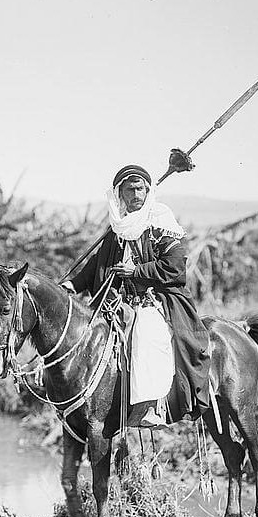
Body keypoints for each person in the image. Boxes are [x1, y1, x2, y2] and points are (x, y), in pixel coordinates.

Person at [63, 162, 211, 427]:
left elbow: (175, 268)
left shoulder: (161, 222)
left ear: (148, 190)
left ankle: (153, 406)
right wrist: (73, 285)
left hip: (156, 301)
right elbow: (97, 265)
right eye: (129, 191)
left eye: (140, 189)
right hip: (119, 303)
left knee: (147, 333)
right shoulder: (119, 228)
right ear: (119, 195)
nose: (135, 196)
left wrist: (136, 270)